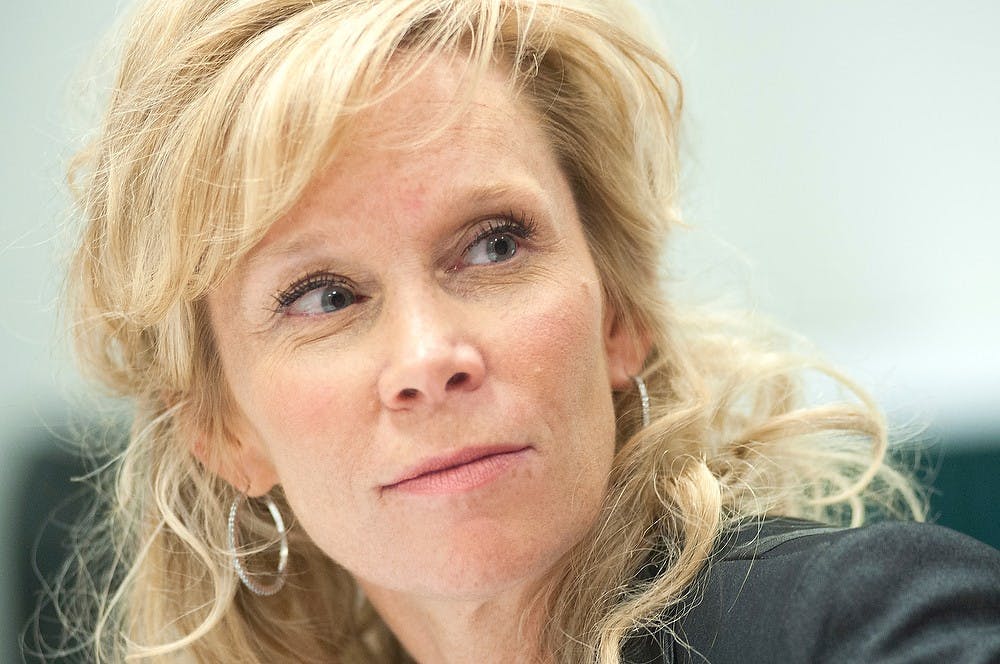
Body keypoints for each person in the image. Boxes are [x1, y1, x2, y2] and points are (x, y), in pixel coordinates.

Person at [53, 0, 999, 662]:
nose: (429, 358)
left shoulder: (859, 622)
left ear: (620, 315)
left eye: (494, 245)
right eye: (323, 297)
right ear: (225, 430)